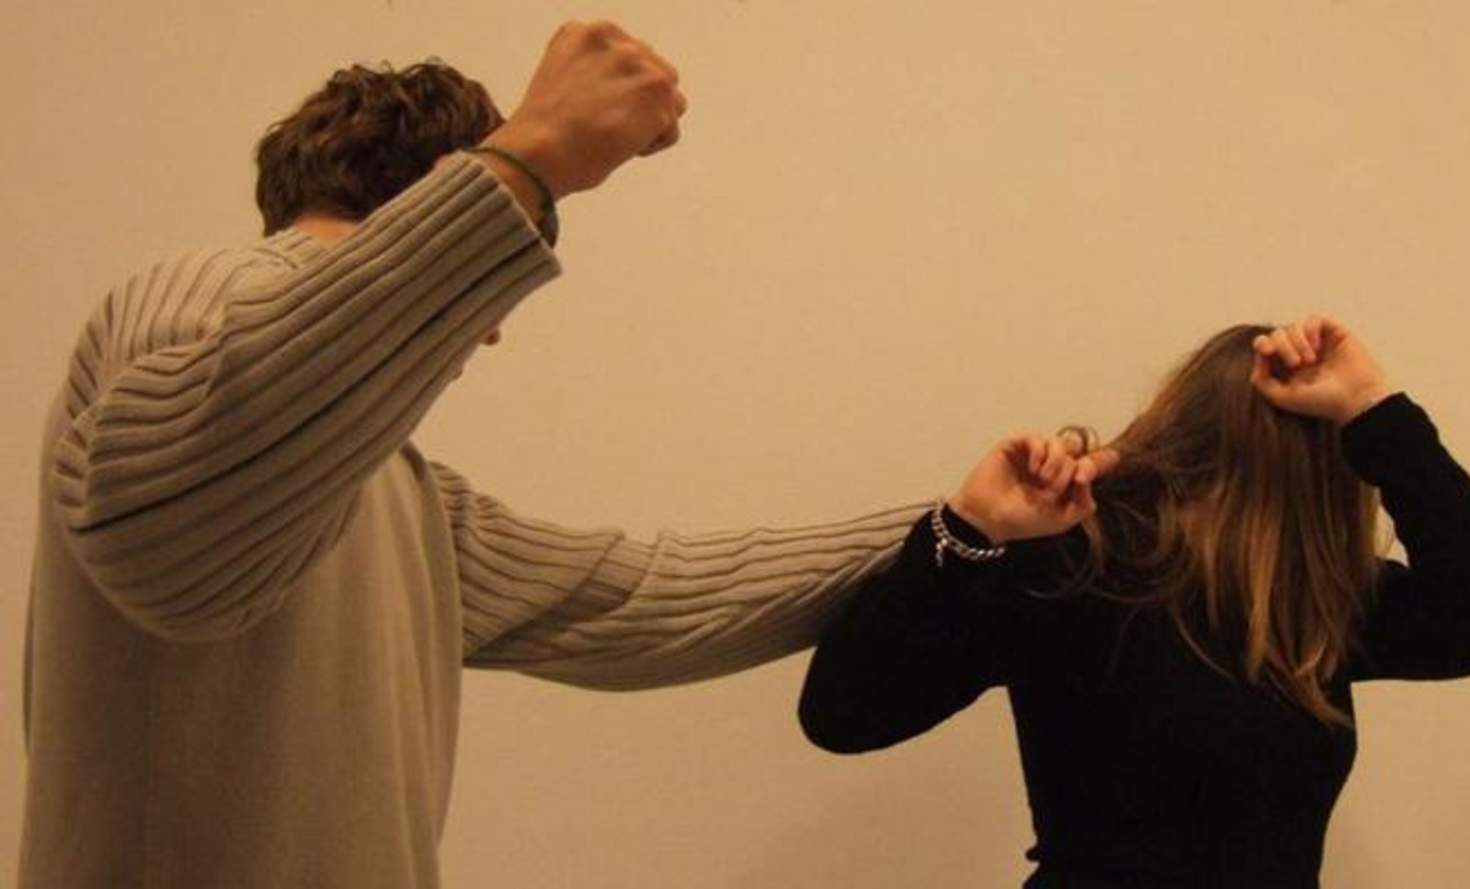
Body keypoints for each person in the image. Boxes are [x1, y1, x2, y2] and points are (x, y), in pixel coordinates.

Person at [19, 21, 925, 889]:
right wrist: (528, 163)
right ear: (437, 204)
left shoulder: (397, 491)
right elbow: (170, 545)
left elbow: (641, 597)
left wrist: (950, 529)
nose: (487, 331)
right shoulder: (203, 292)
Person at [798, 316, 1470, 889]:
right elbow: (846, 712)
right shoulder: (1080, 568)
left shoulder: (1309, 602)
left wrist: (1373, 409)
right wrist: (967, 530)